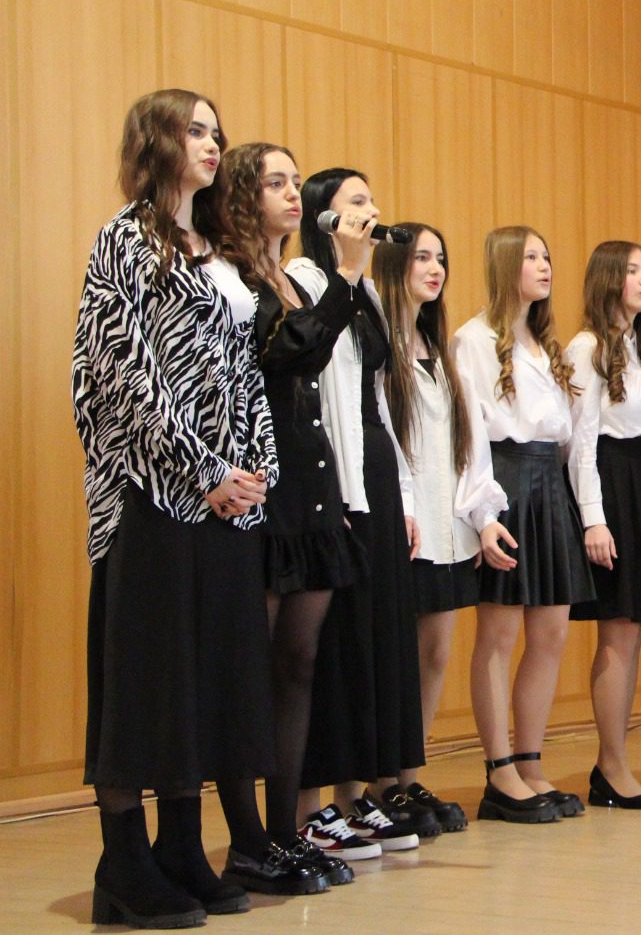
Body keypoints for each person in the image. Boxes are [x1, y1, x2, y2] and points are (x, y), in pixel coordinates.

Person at [72, 90, 315, 929]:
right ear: (157, 141)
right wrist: (202, 468)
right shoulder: (125, 238)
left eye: (216, 130)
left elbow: (246, 372)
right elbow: (121, 373)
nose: (212, 143)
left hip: (224, 507)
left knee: (203, 682)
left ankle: (182, 847)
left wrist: (256, 470)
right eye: (194, 130)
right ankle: (122, 863)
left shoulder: (213, 247)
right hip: (150, 497)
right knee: (146, 681)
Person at [224, 142, 379, 886]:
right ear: (241, 197)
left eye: (294, 181)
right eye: (274, 183)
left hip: (309, 487)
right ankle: (247, 838)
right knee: (249, 670)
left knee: (298, 664)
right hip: (261, 491)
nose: (292, 194)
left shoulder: (288, 277)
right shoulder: (233, 279)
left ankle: (284, 829)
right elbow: (286, 355)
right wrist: (346, 277)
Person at [287, 169, 431, 852]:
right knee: (331, 646)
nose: (372, 212)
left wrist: (402, 488)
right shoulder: (308, 280)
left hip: (376, 471)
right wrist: (338, 494)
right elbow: (319, 391)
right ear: (324, 215)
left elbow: (376, 398)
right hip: (334, 477)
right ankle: (307, 806)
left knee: (373, 638)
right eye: (357, 202)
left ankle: (353, 795)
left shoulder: (368, 290)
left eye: (372, 200)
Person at [372, 223, 514, 827]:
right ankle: (379, 782)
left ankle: (409, 776)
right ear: (393, 265)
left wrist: (484, 517)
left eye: (441, 259)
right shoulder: (378, 347)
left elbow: (470, 447)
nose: (435, 269)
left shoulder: (443, 350)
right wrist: (401, 507)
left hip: (448, 525)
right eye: (422, 258)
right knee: (394, 657)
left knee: (435, 653)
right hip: (404, 524)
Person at [454, 226, 593, 824]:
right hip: (504, 481)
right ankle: (499, 769)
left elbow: (569, 437)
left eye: (547, 256)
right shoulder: (473, 339)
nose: (544, 266)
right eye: (532, 256)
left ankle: (531, 761)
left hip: (548, 485)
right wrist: (485, 512)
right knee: (499, 634)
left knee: (552, 632)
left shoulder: (544, 344)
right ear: (506, 264)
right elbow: (469, 433)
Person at [566, 242, 641, 809]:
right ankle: (611, 764)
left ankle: (614, 761)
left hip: (638, 476)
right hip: (608, 481)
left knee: (632, 630)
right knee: (618, 628)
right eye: (632, 271)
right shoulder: (587, 347)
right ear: (608, 278)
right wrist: (594, 520)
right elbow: (580, 442)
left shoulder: (634, 346)